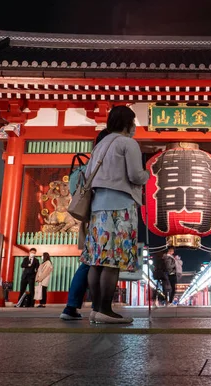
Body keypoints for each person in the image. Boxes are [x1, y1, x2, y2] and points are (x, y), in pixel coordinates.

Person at [80, 106, 149, 324]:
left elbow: (88, 173)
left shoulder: (100, 145)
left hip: (97, 207)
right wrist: (147, 174)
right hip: (120, 207)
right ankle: (106, 310)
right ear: (128, 123)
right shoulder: (128, 143)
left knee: (96, 260)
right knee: (112, 259)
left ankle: (96, 309)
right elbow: (136, 175)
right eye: (134, 122)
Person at [60, 129, 109, 321]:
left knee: (90, 262)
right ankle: (93, 306)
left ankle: (73, 306)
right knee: (96, 263)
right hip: (102, 218)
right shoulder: (101, 166)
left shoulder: (84, 168)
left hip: (87, 218)